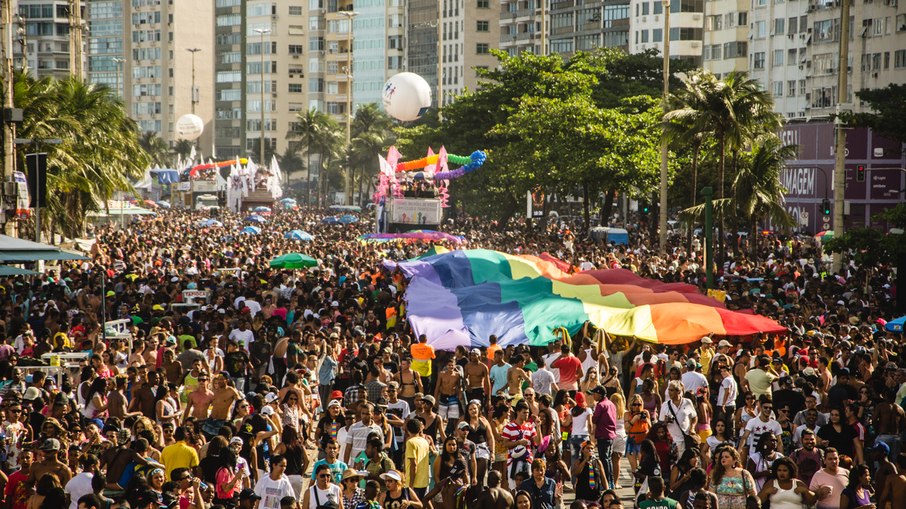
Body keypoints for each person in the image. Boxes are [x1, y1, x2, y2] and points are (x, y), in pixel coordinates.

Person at [590, 385, 617, 488]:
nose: (593, 395)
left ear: (599, 394)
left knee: (604, 459)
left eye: (594, 393)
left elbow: (594, 419)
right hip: (611, 434)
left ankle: (607, 483)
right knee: (608, 459)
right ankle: (611, 481)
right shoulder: (611, 404)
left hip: (603, 434)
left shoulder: (600, 405)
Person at [660, 380, 696, 457]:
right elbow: (660, 423)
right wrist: (665, 422)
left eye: (672, 390)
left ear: (678, 391)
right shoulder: (665, 405)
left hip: (684, 439)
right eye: (669, 390)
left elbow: (694, 417)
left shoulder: (687, 402)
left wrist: (692, 428)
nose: (669, 392)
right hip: (670, 441)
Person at [404, 418, 431, 498]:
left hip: (414, 483)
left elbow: (414, 464)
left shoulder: (410, 442)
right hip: (424, 481)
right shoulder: (424, 441)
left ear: (407, 429)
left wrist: (411, 485)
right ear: (420, 429)